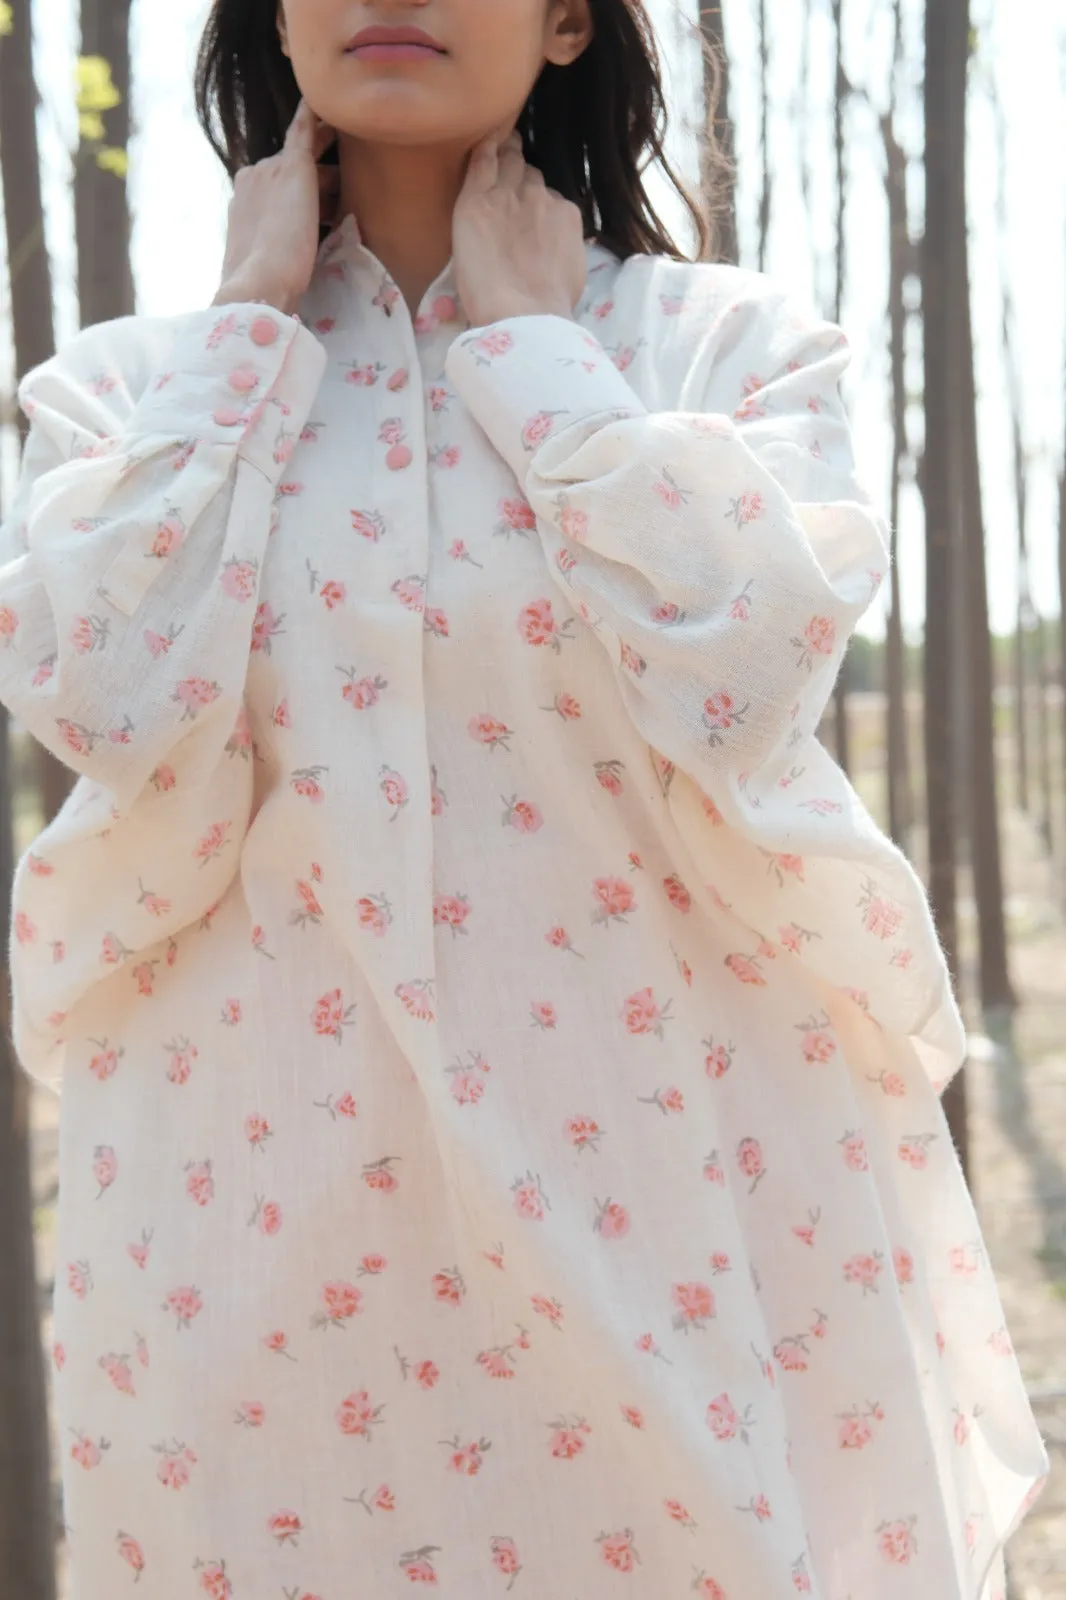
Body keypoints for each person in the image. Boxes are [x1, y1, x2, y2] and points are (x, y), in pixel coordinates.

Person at [0, 1, 1046, 1596]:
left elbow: (744, 672)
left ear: (568, 22)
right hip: (259, 1222)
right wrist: (248, 329)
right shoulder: (132, 389)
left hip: (684, 1190)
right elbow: (103, 697)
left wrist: (537, 361)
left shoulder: (720, 349)